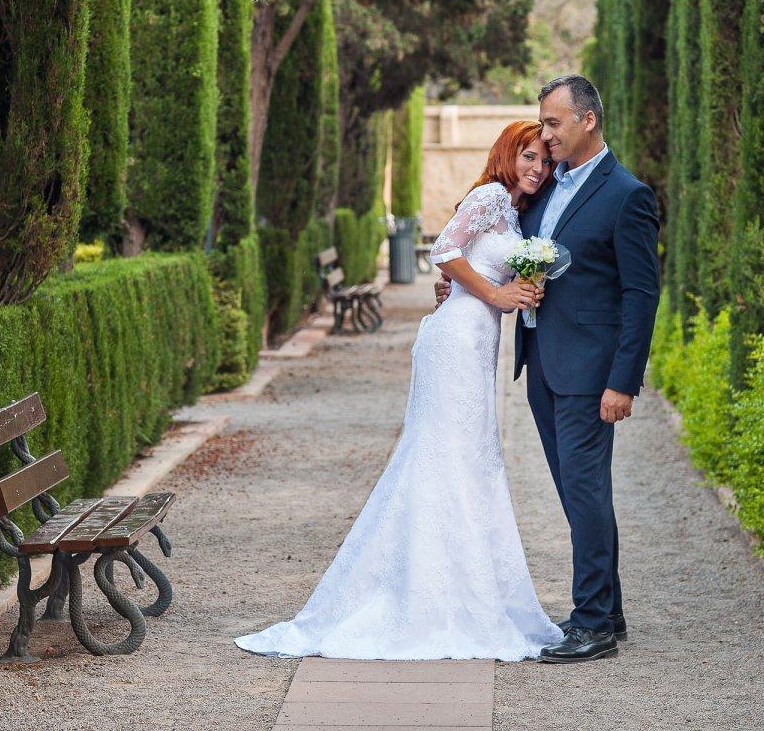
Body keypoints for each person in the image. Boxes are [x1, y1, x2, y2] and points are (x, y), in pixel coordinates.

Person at [235, 120, 562, 660]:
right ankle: (426, 599)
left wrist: (514, 290)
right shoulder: (487, 196)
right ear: (508, 153)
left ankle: (460, 589)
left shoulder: (512, 211)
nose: (538, 168)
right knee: (443, 455)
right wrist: (494, 294)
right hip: (456, 339)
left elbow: (466, 267)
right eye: (529, 156)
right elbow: (445, 251)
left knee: (469, 458)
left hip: (476, 339)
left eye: (545, 162)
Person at [435, 74, 660, 663]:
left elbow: (640, 295)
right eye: (543, 124)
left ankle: (593, 624)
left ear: (588, 120)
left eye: (555, 123)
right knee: (577, 492)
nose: (548, 135)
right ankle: (608, 610)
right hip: (541, 366)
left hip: (590, 375)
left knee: (585, 491)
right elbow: (500, 252)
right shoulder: (545, 189)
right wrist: (461, 285)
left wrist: (622, 382)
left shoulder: (627, 195)